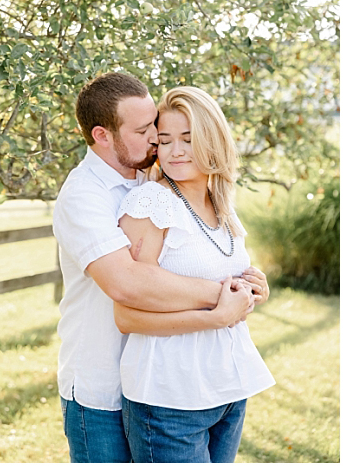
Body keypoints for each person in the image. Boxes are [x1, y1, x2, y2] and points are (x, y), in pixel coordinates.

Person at [52, 73, 269, 463]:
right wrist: (227, 295)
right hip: (101, 388)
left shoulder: (149, 176)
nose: (157, 140)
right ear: (103, 136)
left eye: (158, 126)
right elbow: (128, 285)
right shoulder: (84, 195)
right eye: (147, 130)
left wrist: (249, 286)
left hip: (178, 379)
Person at [115, 87, 275, 462]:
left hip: (228, 390)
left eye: (188, 138)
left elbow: (223, 279)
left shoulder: (221, 202)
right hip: (170, 398)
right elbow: (125, 315)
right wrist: (216, 317)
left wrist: (254, 288)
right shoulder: (152, 202)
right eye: (165, 140)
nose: (176, 151)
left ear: (212, 139)